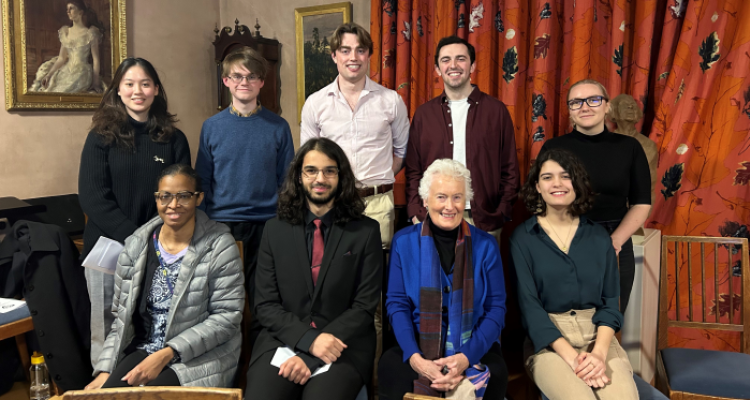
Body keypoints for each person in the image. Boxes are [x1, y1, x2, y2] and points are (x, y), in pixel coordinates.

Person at [245, 138, 382, 400]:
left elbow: (364, 307)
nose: (321, 178)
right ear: (299, 176)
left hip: (343, 344)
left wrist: (316, 349)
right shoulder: (275, 230)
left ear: (341, 177)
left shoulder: (365, 232)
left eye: (330, 170)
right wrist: (308, 341)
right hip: (282, 340)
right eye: (311, 170)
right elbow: (265, 305)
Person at [84, 164, 244, 389]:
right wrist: (105, 369)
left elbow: (227, 317)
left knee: (153, 395)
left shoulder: (219, 246)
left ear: (199, 198)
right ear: (157, 199)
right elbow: (121, 319)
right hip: (145, 348)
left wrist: (166, 354)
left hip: (200, 356)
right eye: (165, 196)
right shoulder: (136, 246)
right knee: (108, 394)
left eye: (184, 196)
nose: (173, 205)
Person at [79, 57, 191, 365]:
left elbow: (180, 197)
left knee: (154, 326)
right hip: (108, 249)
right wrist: (136, 237)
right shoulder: (101, 137)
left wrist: (153, 241)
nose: (137, 91)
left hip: (161, 250)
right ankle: (104, 390)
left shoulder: (173, 139)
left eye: (145, 83)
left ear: (156, 89)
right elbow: (93, 197)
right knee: (107, 330)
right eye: (129, 84)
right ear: (118, 90)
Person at [510, 148, 637, 399]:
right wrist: (574, 359)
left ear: (576, 184)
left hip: (599, 337)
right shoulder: (523, 239)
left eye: (565, 176)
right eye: (547, 177)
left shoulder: (600, 238)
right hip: (549, 341)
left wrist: (599, 354)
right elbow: (530, 308)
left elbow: (611, 302)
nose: (557, 183)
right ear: (537, 187)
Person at [380, 159, 508, 400]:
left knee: (497, 374)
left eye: (457, 197)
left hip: (474, 343)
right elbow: (397, 305)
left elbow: (496, 309)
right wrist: (417, 359)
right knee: (390, 368)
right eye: (441, 197)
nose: (450, 206)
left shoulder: (486, 245)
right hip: (417, 343)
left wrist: (465, 358)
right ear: (425, 201)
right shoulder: (403, 241)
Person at [196, 46, 293, 346]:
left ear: (262, 82)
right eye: (237, 76)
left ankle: (259, 359)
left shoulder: (278, 127)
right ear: (225, 81)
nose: (244, 82)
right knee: (224, 299)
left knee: (264, 298)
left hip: (267, 224)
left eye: (252, 76)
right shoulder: (212, 127)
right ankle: (228, 359)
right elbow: (203, 180)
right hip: (223, 225)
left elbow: (287, 181)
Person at [540, 79, 651, 314]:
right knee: (561, 322)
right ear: (570, 111)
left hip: (615, 242)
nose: (585, 107)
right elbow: (540, 201)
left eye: (593, 100)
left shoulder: (630, 147)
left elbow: (641, 202)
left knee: (609, 321)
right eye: (576, 102)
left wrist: (615, 241)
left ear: (607, 106)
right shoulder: (553, 147)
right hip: (563, 241)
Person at [300, 22, 409, 250]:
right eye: (345, 50)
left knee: (375, 277)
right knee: (333, 275)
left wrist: (380, 176)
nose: (354, 57)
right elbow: (308, 160)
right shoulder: (315, 103)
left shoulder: (391, 101)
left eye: (360, 50)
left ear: (368, 55)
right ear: (334, 55)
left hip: (378, 203)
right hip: (332, 202)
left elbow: (402, 151)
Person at [405, 36, 519, 243]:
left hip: (483, 218)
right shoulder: (424, 114)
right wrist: (416, 212)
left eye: (461, 59)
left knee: (480, 276)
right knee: (434, 276)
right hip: (434, 216)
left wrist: (501, 212)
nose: (453, 65)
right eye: (446, 60)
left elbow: (510, 169)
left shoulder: (496, 111)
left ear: (472, 65)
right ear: (438, 69)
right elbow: (414, 170)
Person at [31, 0, 106, 93]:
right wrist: (49, 75)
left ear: (80, 12)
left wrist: (95, 82)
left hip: (82, 72)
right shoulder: (66, 32)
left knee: (68, 89)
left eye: (71, 8)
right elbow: (61, 58)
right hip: (66, 70)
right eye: (67, 9)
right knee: (53, 90)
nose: (68, 11)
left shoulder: (90, 33)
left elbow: (96, 60)